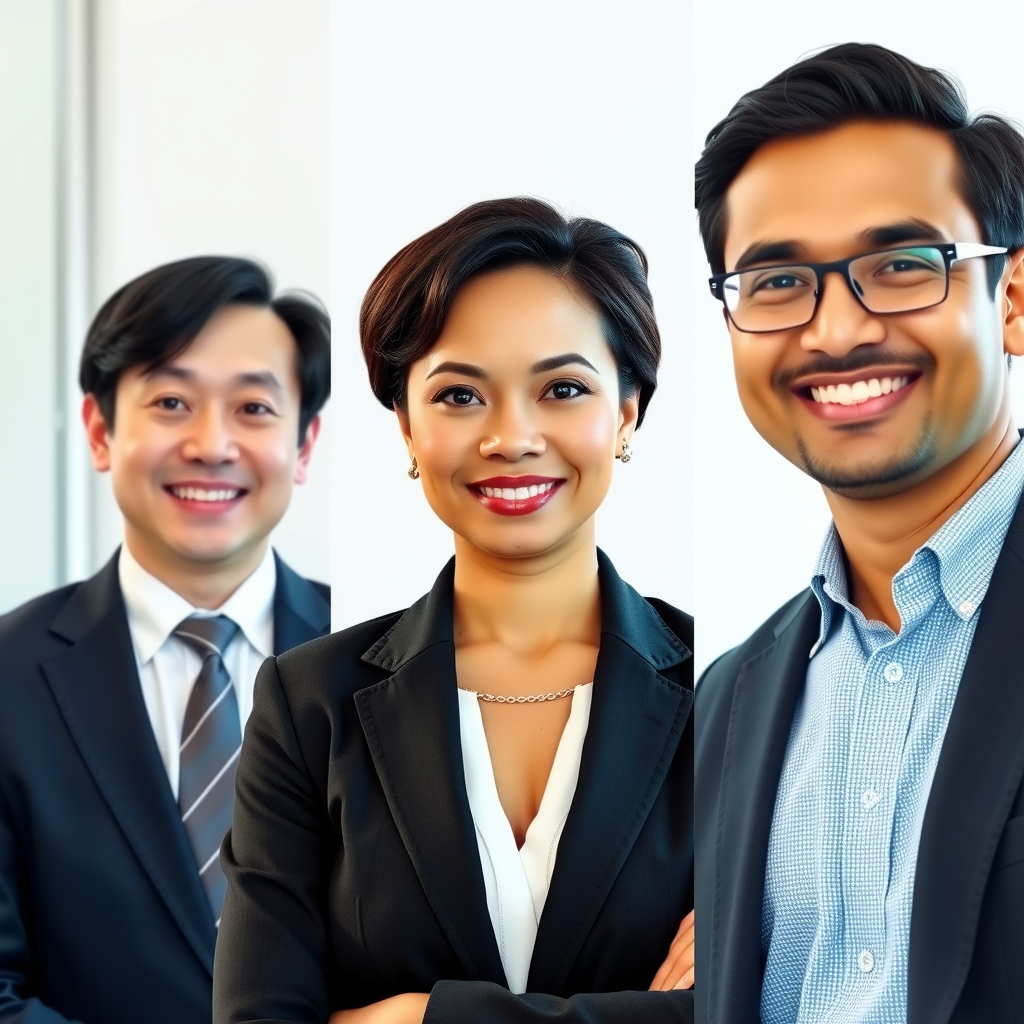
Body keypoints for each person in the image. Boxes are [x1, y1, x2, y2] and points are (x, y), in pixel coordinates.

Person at [212, 198, 694, 1024]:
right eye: (461, 396)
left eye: (564, 388)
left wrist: (414, 1018)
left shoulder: (731, 682)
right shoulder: (307, 704)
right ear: (406, 426)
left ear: (626, 412)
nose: (511, 436)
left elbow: (772, 1000)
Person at [694, 43, 1024, 1024]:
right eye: (777, 281)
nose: (834, 331)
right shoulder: (727, 705)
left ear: (1010, 298)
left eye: (900, 265)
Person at [0, 256, 332, 1024]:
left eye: (253, 408)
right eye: (172, 402)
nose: (212, 444)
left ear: (305, 443)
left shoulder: (388, 661)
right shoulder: (9, 681)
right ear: (100, 430)